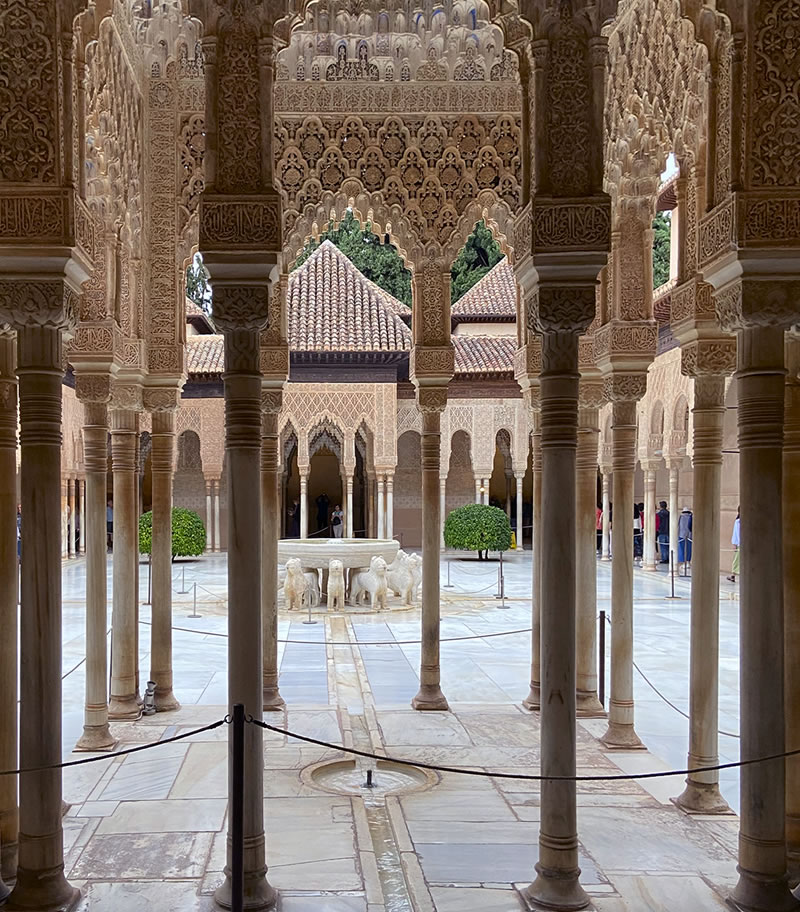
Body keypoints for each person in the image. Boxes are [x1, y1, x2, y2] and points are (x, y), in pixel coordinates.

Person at [728, 506, 740, 582]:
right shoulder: (738, 522)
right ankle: (733, 574)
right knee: (737, 559)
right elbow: (736, 533)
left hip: (740, 543)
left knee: (737, 559)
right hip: (740, 544)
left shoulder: (738, 521)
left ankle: (733, 574)